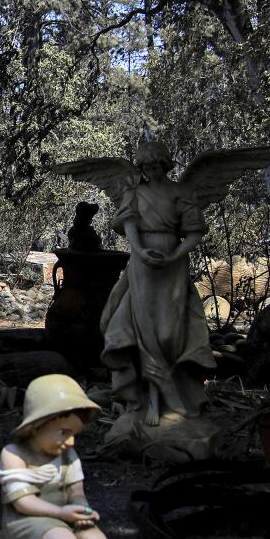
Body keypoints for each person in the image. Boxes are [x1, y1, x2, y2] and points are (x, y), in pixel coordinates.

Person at [99, 140, 216, 426]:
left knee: (169, 334)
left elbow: (194, 232)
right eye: (146, 166)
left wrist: (175, 254)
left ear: (165, 164)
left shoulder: (180, 192)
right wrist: (140, 252)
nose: (151, 169)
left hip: (172, 263)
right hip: (142, 261)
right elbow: (128, 228)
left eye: (156, 164)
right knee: (146, 332)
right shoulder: (135, 193)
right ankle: (154, 400)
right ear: (141, 167)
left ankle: (175, 393)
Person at [0, 374, 118, 539]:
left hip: (63, 520)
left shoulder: (68, 456)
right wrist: (61, 513)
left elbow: (77, 493)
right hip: (25, 523)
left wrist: (83, 511)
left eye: (74, 434)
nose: (71, 441)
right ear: (37, 425)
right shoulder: (14, 454)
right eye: (64, 433)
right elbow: (22, 502)